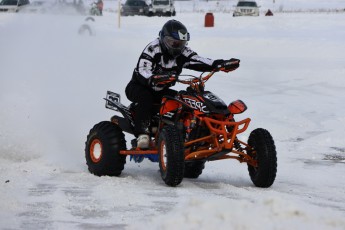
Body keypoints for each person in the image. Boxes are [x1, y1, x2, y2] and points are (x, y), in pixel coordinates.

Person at [125, 19, 240, 149]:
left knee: (182, 100)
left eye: (181, 43)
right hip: (139, 86)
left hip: (161, 91)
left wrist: (220, 64)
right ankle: (143, 134)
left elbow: (199, 60)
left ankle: (176, 135)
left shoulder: (183, 52)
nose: (177, 47)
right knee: (146, 97)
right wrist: (153, 78)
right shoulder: (153, 48)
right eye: (173, 43)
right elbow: (142, 70)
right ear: (163, 39)